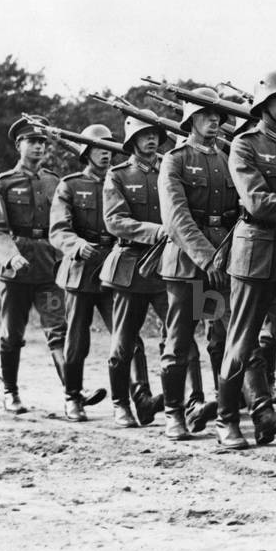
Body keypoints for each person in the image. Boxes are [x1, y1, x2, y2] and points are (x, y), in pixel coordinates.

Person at [215, 71, 276, 450]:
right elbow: (256, 201)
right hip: (254, 253)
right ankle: (226, 420)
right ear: (262, 104)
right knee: (242, 340)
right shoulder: (244, 144)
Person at [156, 88, 238, 440]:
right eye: (206, 114)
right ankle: (174, 412)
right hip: (188, 266)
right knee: (179, 341)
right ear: (190, 119)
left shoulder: (228, 156)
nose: (214, 119)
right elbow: (176, 218)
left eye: (218, 114)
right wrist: (207, 258)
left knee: (222, 338)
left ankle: (225, 412)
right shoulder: (174, 160)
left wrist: (226, 255)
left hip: (223, 260)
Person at [0, 117, 70, 414]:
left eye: (43, 142)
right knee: (12, 334)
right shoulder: (3, 182)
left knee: (58, 329)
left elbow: (63, 224)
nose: (38, 146)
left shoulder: (54, 182)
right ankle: (10, 393)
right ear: (19, 145)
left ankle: (73, 394)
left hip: (48, 266)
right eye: (32, 141)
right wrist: (11, 254)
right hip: (14, 271)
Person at [49, 123, 122, 421]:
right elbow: (58, 229)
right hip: (81, 269)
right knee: (78, 339)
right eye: (99, 149)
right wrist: (76, 245)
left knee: (124, 335)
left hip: (115, 266)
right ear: (86, 153)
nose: (106, 155)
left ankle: (133, 396)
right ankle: (72, 396)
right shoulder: (70, 185)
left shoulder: (120, 181)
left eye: (109, 149)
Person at [101, 115, 169, 427]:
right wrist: (155, 231)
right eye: (144, 136)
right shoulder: (118, 175)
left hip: (169, 267)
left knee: (180, 336)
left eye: (155, 134)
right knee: (124, 343)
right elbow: (115, 221)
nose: (151, 140)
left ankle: (180, 404)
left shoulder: (170, 168)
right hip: (131, 267)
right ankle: (120, 403)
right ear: (132, 142)